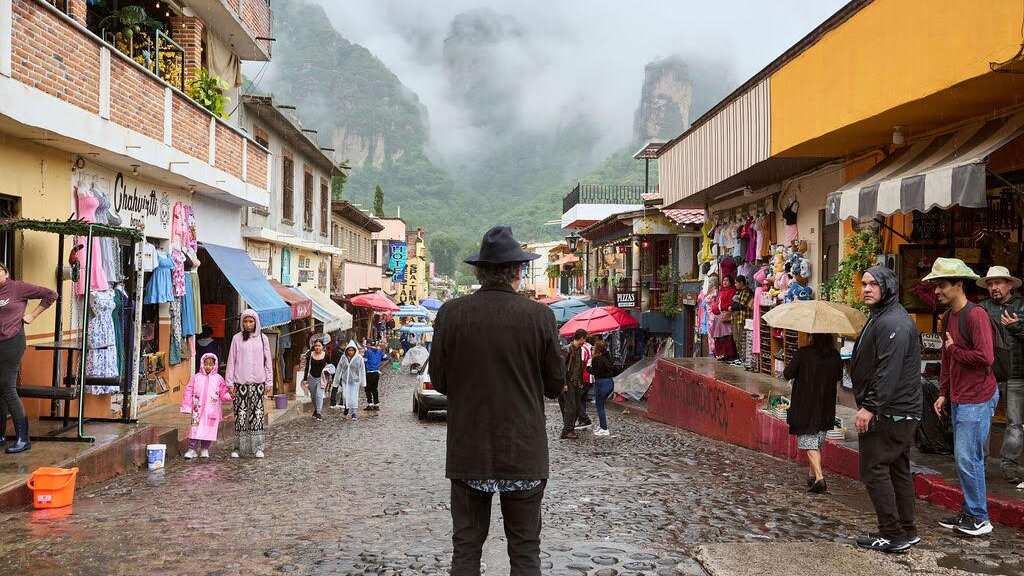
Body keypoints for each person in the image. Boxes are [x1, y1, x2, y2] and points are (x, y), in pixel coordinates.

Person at [428, 225, 563, 576]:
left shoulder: (451, 314)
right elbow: (555, 385)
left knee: (467, 550)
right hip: (524, 454)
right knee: (524, 552)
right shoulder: (541, 317)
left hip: (469, 453)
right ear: (517, 271)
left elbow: (440, 381)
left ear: (480, 271)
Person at [849, 265, 921, 553]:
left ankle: (893, 534)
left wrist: (870, 407)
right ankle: (907, 530)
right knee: (897, 469)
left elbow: (887, 371)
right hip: (895, 410)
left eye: (874, 284)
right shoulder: (884, 317)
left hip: (890, 412)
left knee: (875, 469)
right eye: (864, 283)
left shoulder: (894, 322)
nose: (866, 288)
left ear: (887, 287)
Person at [927, 258, 998, 537]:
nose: (937, 291)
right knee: (964, 458)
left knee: (968, 459)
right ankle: (970, 512)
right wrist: (943, 393)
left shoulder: (975, 315)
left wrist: (955, 350)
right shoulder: (950, 317)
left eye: (942, 285)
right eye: (935, 286)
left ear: (959, 284)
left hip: (978, 397)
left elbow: (986, 358)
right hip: (960, 397)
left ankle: (980, 517)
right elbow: (947, 360)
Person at [0, 262, 57, 454]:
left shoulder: (17, 288)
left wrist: (33, 315)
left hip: (12, 342)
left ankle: (23, 439)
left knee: (8, 388)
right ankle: (0, 436)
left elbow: (51, 294)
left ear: (6, 272)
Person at [977, 266, 1024, 484]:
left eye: (998, 283)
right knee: (983, 419)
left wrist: (1017, 328)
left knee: (1015, 422)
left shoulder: (1022, 306)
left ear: (1010, 284)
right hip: (988, 375)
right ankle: (981, 463)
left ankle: (1010, 465)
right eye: (990, 283)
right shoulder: (982, 309)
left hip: (1017, 373)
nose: (994, 287)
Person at [783, 332, 842, 494]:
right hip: (826, 406)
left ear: (812, 337)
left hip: (806, 406)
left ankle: (819, 478)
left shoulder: (803, 353)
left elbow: (787, 373)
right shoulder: (835, 356)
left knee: (810, 443)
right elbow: (839, 376)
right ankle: (811, 475)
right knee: (816, 442)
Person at [225, 309, 273, 459]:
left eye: (251, 321)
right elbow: (231, 361)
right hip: (240, 384)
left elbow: (268, 361)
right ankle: (239, 448)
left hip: (258, 383)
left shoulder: (263, 339)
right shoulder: (236, 339)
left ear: (256, 322)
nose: (248, 324)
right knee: (240, 415)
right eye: (245, 321)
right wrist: (229, 383)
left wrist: (269, 382)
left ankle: (258, 447)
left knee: (257, 415)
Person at [180, 353, 232, 459]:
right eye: (206, 364)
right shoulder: (196, 377)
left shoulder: (218, 379)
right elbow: (188, 391)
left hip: (211, 411)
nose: (208, 367)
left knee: (208, 430)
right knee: (194, 429)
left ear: (215, 365)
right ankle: (191, 449)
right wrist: (187, 406)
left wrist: (231, 395)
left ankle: (204, 449)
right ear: (202, 364)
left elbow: (223, 394)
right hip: (197, 410)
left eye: (211, 364)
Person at [562, 329, 590, 440]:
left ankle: (570, 429)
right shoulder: (568, 349)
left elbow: (579, 368)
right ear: (581, 338)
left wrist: (581, 382)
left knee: (577, 407)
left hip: (577, 383)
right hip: (569, 382)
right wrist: (564, 383)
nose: (585, 341)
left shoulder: (579, 349)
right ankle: (567, 430)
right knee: (571, 407)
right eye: (585, 338)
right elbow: (562, 368)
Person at [589, 340, 617, 437]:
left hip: (601, 383)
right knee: (601, 405)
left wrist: (588, 368)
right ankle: (602, 426)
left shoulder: (597, 359)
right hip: (609, 382)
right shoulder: (608, 357)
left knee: (599, 406)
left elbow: (595, 371)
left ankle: (604, 428)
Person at [333, 341, 365, 420]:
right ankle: (346, 407)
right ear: (347, 350)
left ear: (355, 351)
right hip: (345, 380)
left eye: (352, 350)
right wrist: (336, 382)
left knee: (353, 397)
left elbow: (362, 370)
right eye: (349, 350)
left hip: (355, 381)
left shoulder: (359, 358)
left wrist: (363, 382)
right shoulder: (343, 358)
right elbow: (339, 369)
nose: (350, 352)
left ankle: (354, 413)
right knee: (345, 396)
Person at [709, 276, 737, 361]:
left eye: (727, 280)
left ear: (730, 282)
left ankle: (728, 354)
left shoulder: (732, 291)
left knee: (727, 335)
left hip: (727, 315)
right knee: (719, 336)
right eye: (724, 280)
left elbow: (730, 303)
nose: (725, 282)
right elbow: (718, 303)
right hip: (719, 316)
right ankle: (720, 354)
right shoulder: (721, 291)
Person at [302, 338, 330, 421]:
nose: (317, 347)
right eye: (316, 346)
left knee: (319, 395)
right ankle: (316, 409)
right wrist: (305, 379)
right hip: (311, 377)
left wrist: (328, 372)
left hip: (322, 378)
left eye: (319, 346)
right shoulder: (310, 354)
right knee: (313, 396)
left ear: (322, 347)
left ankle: (318, 413)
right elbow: (307, 367)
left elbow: (330, 365)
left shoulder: (326, 355)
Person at [730, 276, 754, 365]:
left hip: (742, 319)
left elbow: (741, 305)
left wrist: (732, 307)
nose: (735, 285)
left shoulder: (747, 292)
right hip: (736, 319)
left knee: (741, 339)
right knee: (736, 339)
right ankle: (740, 357)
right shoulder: (738, 292)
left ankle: (743, 359)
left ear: (741, 283)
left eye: (736, 283)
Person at [363, 341, 387, 410]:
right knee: (374, 389)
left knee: (367, 389)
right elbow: (386, 357)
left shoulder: (367, 352)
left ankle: (370, 404)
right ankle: (376, 404)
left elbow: (364, 361)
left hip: (369, 372)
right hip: (376, 372)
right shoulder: (380, 352)